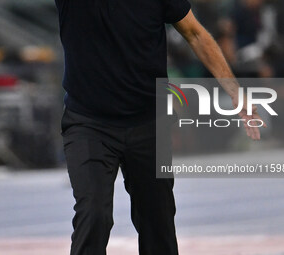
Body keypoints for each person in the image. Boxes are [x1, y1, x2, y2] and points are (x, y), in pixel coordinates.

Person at [55, 0, 265, 254]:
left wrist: (234, 90)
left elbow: (195, 33)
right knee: (93, 214)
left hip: (148, 121)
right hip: (89, 122)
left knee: (158, 222)